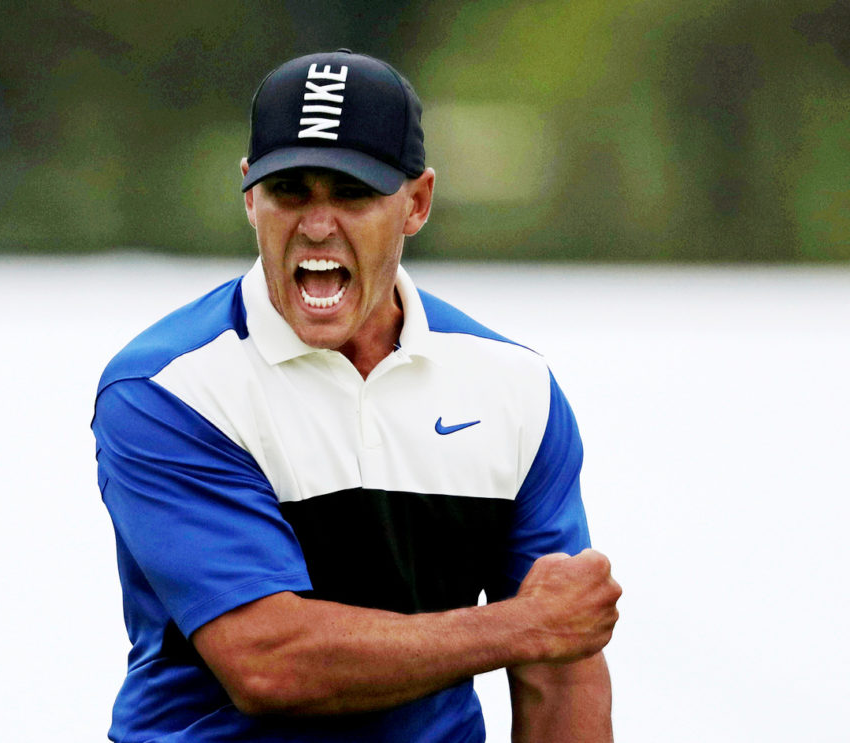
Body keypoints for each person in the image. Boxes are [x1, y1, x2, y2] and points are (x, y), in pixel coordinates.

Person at [92, 49, 621, 742]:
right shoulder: (169, 389)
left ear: (417, 203)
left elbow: (561, 665)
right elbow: (269, 662)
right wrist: (518, 626)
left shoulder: (512, 387)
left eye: (352, 193)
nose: (317, 225)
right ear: (249, 193)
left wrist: (541, 631)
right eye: (291, 192)